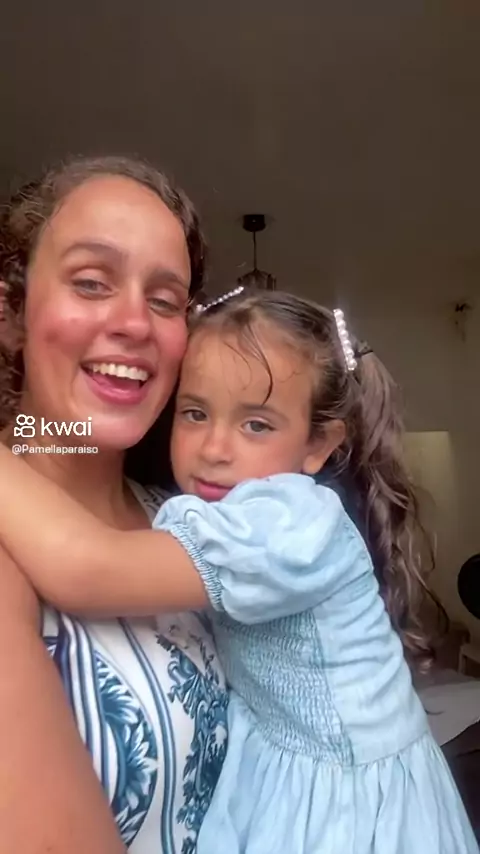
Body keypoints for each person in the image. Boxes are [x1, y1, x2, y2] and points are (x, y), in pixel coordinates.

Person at [0, 288, 477, 853]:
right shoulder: (201, 509)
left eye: (256, 425)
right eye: (195, 413)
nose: (214, 448)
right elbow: (61, 440)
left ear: (318, 446)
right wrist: (23, 430)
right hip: (280, 769)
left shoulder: (293, 523)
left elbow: (86, 566)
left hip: (347, 809)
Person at [0, 157, 228, 854]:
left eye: (164, 300)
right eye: (91, 282)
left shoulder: (186, 519)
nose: (134, 323)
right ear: (11, 313)